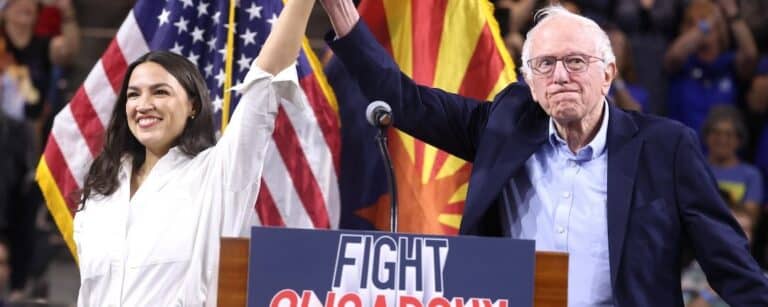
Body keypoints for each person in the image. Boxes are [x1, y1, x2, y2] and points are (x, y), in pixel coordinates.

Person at [320, 1, 768, 305]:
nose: (561, 76)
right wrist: (342, 15)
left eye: (576, 62)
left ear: (608, 73)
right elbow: (407, 101)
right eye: (545, 65)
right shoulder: (503, 127)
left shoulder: (666, 147)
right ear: (530, 82)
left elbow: (729, 263)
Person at [73, 0, 315, 305]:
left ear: (193, 106)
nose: (143, 104)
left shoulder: (217, 175)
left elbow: (266, 80)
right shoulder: (101, 191)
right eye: (134, 94)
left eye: (160, 92)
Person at [664, 0, 758, 133]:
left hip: (722, 142)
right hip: (684, 142)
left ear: (720, 29)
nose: (699, 29)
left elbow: (750, 55)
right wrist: (711, 19)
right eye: (692, 24)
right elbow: (675, 54)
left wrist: (733, 15)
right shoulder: (683, 64)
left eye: (703, 21)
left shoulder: (728, 63)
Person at [702, 105, 763, 219]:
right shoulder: (695, 169)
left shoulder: (751, 175)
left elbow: (750, 217)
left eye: (729, 135)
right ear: (706, 136)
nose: (722, 140)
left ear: (739, 140)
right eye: (716, 133)